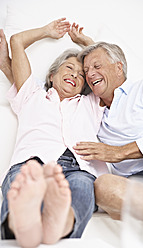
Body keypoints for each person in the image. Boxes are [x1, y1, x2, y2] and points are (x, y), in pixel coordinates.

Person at [0, 18, 109, 247]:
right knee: (25, 183)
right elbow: (16, 42)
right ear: (51, 76)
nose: (75, 76)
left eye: (81, 75)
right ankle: (25, 226)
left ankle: (58, 224)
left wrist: (87, 43)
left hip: (77, 167)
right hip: (32, 163)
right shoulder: (31, 94)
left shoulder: (89, 103)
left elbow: (106, 71)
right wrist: (46, 31)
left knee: (81, 186)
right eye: (69, 68)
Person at [72, 41, 143, 220]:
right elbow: (41, 88)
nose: (90, 74)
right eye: (86, 71)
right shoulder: (89, 108)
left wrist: (119, 152)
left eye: (96, 66)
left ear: (119, 68)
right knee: (103, 187)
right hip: (136, 183)